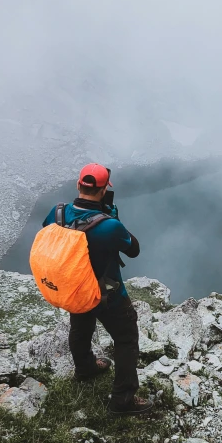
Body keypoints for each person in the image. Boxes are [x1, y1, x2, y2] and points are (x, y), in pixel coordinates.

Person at [42, 162, 153, 415]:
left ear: (78, 184)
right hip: (108, 292)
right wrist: (113, 218)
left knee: (80, 328)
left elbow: (50, 235)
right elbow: (133, 250)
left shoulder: (57, 213)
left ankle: (85, 368)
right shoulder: (108, 225)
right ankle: (122, 401)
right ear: (104, 190)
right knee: (125, 339)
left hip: (75, 286)